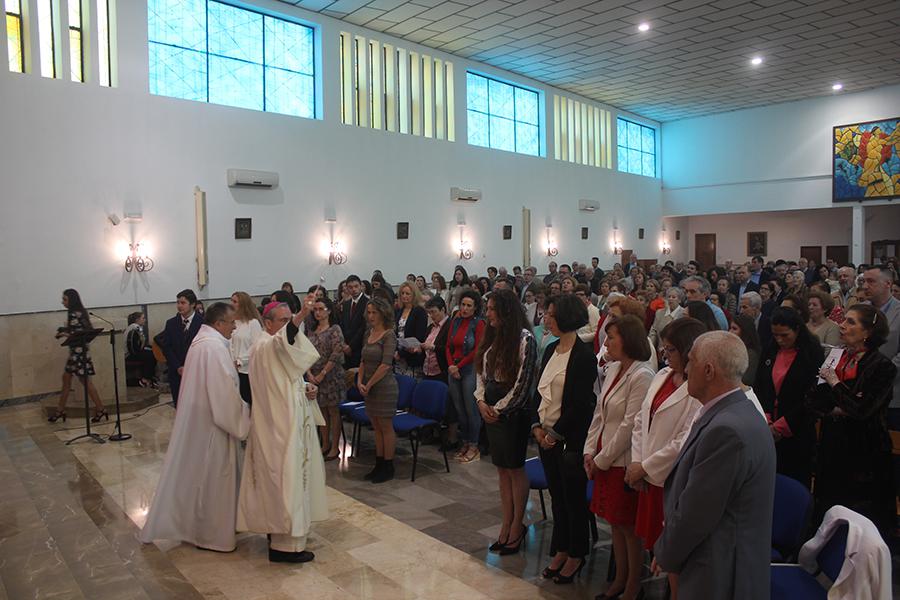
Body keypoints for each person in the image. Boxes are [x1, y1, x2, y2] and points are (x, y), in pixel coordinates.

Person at [653, 331, 776, 600]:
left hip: (717, 570)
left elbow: (697, 514)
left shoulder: (728, 431)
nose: (685, 369)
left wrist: (665, 552)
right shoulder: (728, 414)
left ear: (708, 371)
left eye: (690, 361)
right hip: (710, 558)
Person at [140, 302, 250, 552]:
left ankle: (196, 528)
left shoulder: (204, 343)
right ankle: (211, 534)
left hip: (202, 423)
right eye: (232, 322)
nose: (234, 327)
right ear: (219, 323)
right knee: (212, 480)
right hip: (214, 427)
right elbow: (223, 395)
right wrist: (244, 413)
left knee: (200, 477)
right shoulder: (212, 349)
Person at [237, 298, 327, 563]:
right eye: (283, 320)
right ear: (267, 323)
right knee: (285, 481)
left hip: (281, 423)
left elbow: (286, 377)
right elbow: (282, 342)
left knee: (278, 482)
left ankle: (277, 534)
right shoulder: (265, 345)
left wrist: (304, 388)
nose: (289, 325)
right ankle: (285, 547)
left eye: (290, 319)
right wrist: (300, 316)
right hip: (280, 428)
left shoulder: (272, 348)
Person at [627, 317, 707, 600]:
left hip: (668, 479)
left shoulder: (697, 390)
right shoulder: (661, 376)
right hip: (647, 474)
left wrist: (645, 468)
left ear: (688, 351)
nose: (665, 354)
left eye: (671, 349)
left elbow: (683, 441)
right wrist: (637, 463)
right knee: (654, 549)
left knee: (673, 557)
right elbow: (640, 420)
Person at [810, 304, 897, 533]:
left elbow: (861, 410)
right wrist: (838, 402)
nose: (842, 325)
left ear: (867, 332)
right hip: (833, 445)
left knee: (859, 520)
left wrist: (835, 383)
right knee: (828, 512)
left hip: (863, 453)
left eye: (851, 322)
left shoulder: (882, 367)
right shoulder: (838, 357)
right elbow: (816, 401)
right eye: (844, 320)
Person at [584, 315, 654, 600]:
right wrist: (589, 450)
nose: (606, 341)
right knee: (614, 522)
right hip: (603, 456)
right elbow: (599, 413)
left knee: (628, 526)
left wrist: (601, 459)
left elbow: (629, 425)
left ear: (628, 340)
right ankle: (620, 578)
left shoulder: (642, 375)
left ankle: (633, 583)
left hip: (621, 461)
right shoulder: (613, 369)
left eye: (611, 337)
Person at [532, 294, 596, 584]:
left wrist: (555, 433)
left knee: (573, 499)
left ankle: (576, 553)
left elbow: (581, 404)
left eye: (552, 315)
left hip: (568, 439)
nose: (546, 319)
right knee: (557, 497)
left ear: (567, 318)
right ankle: (560, 547)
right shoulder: (550, 349)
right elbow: (540, 389)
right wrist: (537, 427)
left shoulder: (583, 356)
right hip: (546, 436)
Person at [474, 289, 538, 556]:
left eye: (491, 309)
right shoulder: (493, 336)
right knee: (501, 470)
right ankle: (506, 523)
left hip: (512, 411)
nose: (487, 313)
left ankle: (517, 525)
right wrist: (480, 402)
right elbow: (481, 373)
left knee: (514, 468)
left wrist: (497, 409)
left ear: (506, 311)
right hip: (491, 406)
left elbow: (523, 384)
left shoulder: (525, 339)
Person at [753, 307, 823, 488]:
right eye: (775, 335)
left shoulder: (812, 352)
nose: (779, 340)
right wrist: (767, 419)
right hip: (768, 426)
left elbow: (811, 395)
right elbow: (761, 385)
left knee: (794, 482)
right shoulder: (770, 349)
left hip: (797, 428)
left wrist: (783, 425)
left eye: (785, 335)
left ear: (797, 330)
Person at [356, 297, 399, 482]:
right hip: (368, 387)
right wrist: (359, 381)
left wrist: (369, 383)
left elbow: (385, 365)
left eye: (374, 312)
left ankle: (388, 466)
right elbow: (363, 360)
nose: (371, 316)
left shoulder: (389, 335)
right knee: (376, 427)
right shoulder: (369, 333)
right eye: (369, 312)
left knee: (385, 427)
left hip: (384, 387)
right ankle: (378, 463)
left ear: (383, 313)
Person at [50, 289, 106, 422]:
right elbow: (79, 329)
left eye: (65, 299)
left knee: (83, 382)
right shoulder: (80, 311)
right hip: (78, 353)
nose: (62, 302)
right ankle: (61, 410)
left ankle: (100, 409)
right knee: (67, 380)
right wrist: (64, 330)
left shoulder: (74, 313)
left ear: (71, 300)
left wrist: (63, 334)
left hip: (78, 354)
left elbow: (76, 334)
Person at [446, 290, 486, 463]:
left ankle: (474, 445)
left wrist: (458, 366)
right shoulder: (455, 321)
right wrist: (450, 366)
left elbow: (477, 349)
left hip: (469, 369)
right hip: (453, 368)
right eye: (463, 304)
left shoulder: (479, 324)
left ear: (475, 308)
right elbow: (448, 345)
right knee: (460, 410)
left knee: (471, 410)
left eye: (469, 306)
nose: (464, 308)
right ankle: (465, 441)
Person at [307, 296, 346, 462]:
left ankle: (335, 446)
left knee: (333, 411)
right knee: (321, 411)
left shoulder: (334, 329)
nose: (317, 312)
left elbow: (336, 353)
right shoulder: (311, 330)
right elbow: (305, 352)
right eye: (315, 309)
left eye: (321, 309)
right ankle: (324, 443)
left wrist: (322, 373)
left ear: (329, 310)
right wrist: (309, 373)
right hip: (314, 375)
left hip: (331, 375)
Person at [859, 266, 899, 409]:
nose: (865, 286)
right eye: (864, 281)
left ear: (888, 283)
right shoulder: (860, 310)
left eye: (871, 281)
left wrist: (879, 373)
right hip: (858, 392)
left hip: (891, 391)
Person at [162, 289, 203, 407]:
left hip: (196, 371)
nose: (179, 306)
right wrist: (178, 366)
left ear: (193, 304)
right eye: (178, 302)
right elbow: (167, 347)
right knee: (180, 406)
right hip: (176, 371)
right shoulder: (171, 323)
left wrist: (190, 366)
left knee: (197, 407)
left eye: (183, 303)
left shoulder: (203, 323)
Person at [229, 291, 263, 405]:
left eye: (235, 301)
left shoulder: (253, 323)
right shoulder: (231, 322)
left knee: (247, 403)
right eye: (231, 301)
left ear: (243, 304)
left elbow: (256, 346)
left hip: (246, 370)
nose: (231, 304)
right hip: (231, 369)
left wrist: (240, 361)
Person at [394, 281, 428, 379]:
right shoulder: (399, 311)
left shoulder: (419, 311)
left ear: (414, 295)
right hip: (399, 356)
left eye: (407, 293)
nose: (404, 296)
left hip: (412, 356)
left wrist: (402, 353)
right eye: (402, 293)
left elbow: (419, 336)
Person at [340, 275, 369, 369]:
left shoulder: (368, 303)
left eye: (356, 286)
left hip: (360, 347)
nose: (354, 289)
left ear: (361, 286)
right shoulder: (346, 304)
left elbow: (364, 326)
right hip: (346, 347)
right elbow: (343, 325)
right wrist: (344, 344)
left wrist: (351, 346)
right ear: (347, 289)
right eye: (350, 287)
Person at [125, 311, 157, 388]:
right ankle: (145, 379)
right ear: (137, 320)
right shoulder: (135, 326)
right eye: (143, 318)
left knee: (150, 352)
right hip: (128, 354)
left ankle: (149, 378)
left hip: (130, 352)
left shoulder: (131, 327)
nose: (144, 320)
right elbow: (139, 344)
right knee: (151, 355)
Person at [729, 313, 761, 385]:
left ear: (745, 331)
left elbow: (746, 380)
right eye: (730, 328)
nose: (730, 332)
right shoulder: (732, 348)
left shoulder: (751, 354)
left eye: (734, 329)